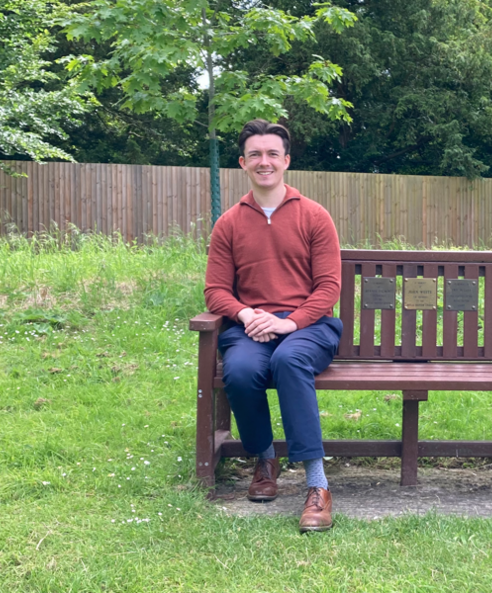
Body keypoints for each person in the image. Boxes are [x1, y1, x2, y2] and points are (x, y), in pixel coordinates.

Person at [203, 119, 342, 533]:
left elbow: (329, 286)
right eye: (256, 155)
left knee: (288, 361)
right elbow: (215, 291)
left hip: (310, 327)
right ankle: (265, 459)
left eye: (273, 154)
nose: (265, 162)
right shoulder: (229, 222)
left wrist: (290, 324)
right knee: (242, 371)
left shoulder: (314, 216)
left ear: (286, 161)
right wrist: (247, 315)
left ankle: (318, 485)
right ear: (243, 162)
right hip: (251, 327)